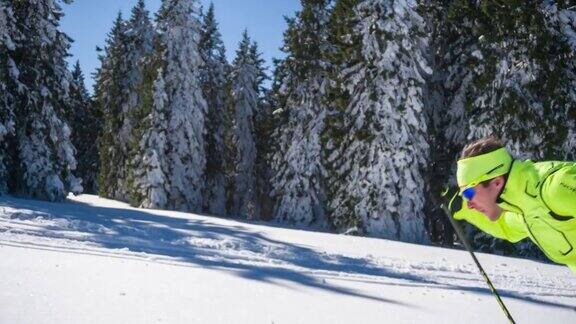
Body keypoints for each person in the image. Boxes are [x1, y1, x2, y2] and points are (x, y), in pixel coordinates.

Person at [448, 135, 576, 272]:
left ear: (497, 182)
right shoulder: (522, 208)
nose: (469, 204)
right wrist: (460, 207)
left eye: (468, 193)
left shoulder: (554, 188)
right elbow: (505, 225)